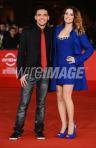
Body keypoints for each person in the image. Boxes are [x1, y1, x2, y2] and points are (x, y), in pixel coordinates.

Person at [9, 6, 53, 140]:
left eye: (44, 15)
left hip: (46, 72)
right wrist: (21, 73)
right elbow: (21, 53)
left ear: (48, 17)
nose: (42, 17)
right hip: (29, 72)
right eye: (39, 15)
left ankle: (39, 130)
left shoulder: (51, 32)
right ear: (35, 17)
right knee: (23, 103)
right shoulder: (27, 32)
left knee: (41, 104)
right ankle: (17, 130)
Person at [50, 6, 94, 139]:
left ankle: (71, 125)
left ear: (75, 17)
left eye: (71, 14)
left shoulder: (78, 32)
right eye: (66, 14)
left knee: (67, 97)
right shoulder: (57, 29)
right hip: (57, 67)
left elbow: (89, 49)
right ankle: (63, 125)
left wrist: (77, 59)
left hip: (70, 68)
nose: (68, 16)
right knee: (59, 97)